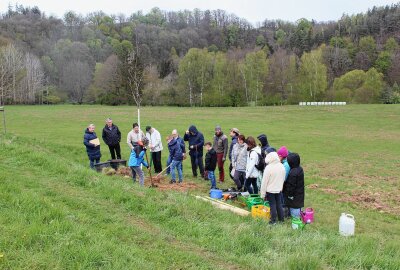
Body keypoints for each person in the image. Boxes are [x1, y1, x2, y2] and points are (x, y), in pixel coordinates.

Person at [260, 152, 286, 225]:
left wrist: (262, 194)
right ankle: (281, 220)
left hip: (270, 190)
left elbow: (264, 182)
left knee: (272, 205)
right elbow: (283, 179)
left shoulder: (268, 168)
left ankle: (273, 221)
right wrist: (281, 187)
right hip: (278, 189)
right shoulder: (282, 166)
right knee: (279, 204)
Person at [283, 153, 305, 219]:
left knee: (294, 210)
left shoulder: (293, 173)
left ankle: (296, 219)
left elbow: (291, 187)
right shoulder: (299, 168)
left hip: (294, 196)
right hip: (299, 193)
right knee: (297, 207)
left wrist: (288, 194)